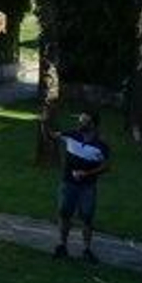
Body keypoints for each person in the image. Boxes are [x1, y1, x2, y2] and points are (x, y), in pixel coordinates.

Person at [47, 109, 111, 262]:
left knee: (87, 217)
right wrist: (45, 122)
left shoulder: (101, 145)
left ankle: (86, 249)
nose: (81, 123)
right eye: (80, 120)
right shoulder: (71, 135)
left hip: (87, 186)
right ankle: (62, 245)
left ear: (94, 125)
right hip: (68, 182)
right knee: (64, 213)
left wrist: (87, 173)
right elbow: (52, 135)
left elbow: (106, 166)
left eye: (85, 121)